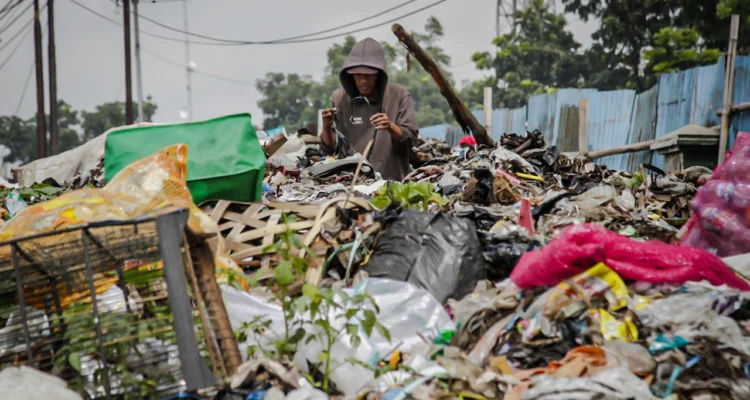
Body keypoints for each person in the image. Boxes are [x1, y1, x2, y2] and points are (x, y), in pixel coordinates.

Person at [320, 37, 418, 181]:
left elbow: (411, 141)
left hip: (390, 184)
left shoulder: (398, 95)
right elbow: (330, 150)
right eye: (358, 75)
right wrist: (326, 127)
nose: (363, 80)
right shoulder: (338, 98)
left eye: (369, 75)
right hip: (350, 184)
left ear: (378, 74)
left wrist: (391, 127)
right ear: (351, 74)